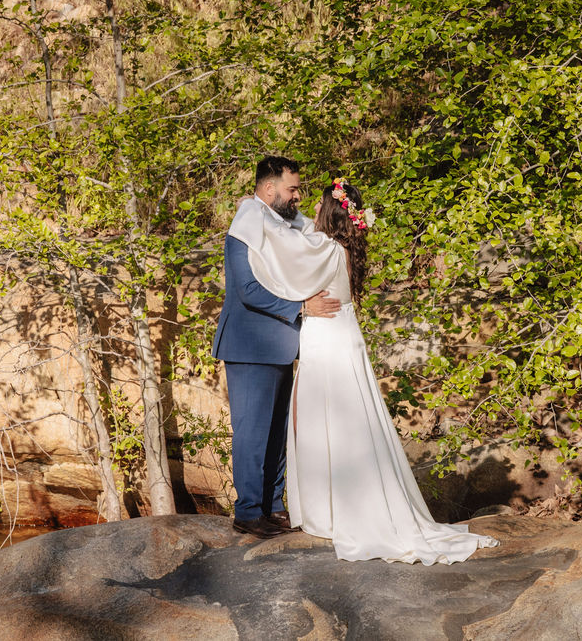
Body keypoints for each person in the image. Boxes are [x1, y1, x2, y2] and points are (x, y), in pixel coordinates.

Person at [236, 176, 500, 563]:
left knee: (322, 421)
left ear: (328, 212)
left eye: (318, 207)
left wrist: (253, 210)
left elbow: (283, 251)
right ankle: (339, 505)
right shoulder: (342, 247)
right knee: (349, 420)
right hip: (343, 336)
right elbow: (301, 235)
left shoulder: (323, 248)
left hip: (326, 342)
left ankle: (329, 511)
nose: (309, 211)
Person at [212, 156, 341, 539]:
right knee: (251, 432)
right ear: (270, 189)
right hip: (250, 346)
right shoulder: (244, 228)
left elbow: (313, 240)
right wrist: (301, 307)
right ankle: (248, 512)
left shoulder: (283, 226)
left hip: (284, 345)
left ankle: (274, 506)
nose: (297, 195)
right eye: (292, 188)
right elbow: (247, 291)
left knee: (277, 433)